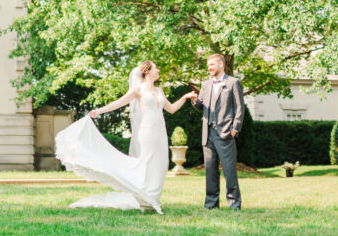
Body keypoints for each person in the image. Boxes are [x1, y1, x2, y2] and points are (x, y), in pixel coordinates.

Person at [54, 60, 193, 213]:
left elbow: (171, 109)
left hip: (160, 133)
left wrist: (185, 97)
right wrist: (99, 111)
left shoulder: (159, 91)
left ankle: (151, 198)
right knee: (148, 163)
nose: (158, 70)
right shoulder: (138, 90)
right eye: (156, 67)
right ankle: (148, 201)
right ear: (147, 71)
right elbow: (119, 103)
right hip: (147, 132)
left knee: (161, 164)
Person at [189, 53, 245, 210]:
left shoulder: (233, 83)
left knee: (229, 171)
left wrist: (235, 129)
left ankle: (234, 203)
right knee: (210, 170)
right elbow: (202, 106)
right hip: (207, 134)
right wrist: (194, 101)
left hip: (226, 133)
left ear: (221, 64)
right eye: (208, 65)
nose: (209, 67)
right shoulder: (205, 84)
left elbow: (240, 108)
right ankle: (211, 204)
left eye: (212, 65)